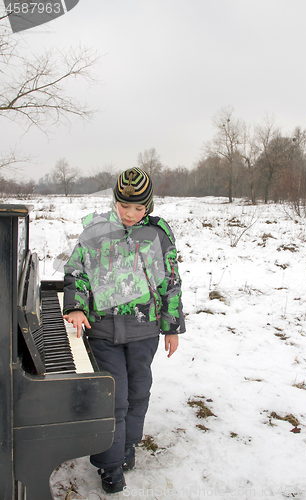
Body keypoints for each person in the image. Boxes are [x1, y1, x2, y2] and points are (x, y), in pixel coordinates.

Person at [63, 167, 185, 494]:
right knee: (112, 397)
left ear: (149, 206)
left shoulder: (158, 234)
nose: (131, 215)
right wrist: (76, 305)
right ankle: (110, 464)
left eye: (138, 209)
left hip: (144, 332)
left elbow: (169, 282)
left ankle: (127, 445)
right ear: (114, 201)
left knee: (138, 392)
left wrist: (172, 327)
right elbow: (77, 272)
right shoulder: (96, 230)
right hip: (103, 331)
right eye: (124, 207)